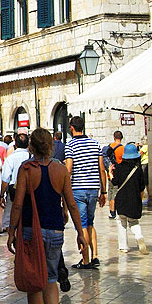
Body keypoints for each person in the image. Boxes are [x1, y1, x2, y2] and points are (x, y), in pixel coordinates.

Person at [8, 128, 87, 304]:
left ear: (31, 146)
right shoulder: (61, 170)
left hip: (31, 231)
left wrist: (11, 230)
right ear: (51, 146)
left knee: (34, 280)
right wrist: (81, 233)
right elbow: (70, 203)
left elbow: (18, 202)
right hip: (54, 230)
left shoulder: (27, 169)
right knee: (51, 277)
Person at [65, 116, 105, 270]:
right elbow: (101, 168)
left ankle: (86, 260)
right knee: (90, 222)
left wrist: (65, 190)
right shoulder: (95, 144)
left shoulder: (70, 145)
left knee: (81, 224)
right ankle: (95, 255)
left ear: (71, 128)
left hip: (78, 189)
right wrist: (104, 190)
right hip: (94, 187)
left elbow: (68, 170)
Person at [110, 143, 147, 255]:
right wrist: (139, 201)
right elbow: (142, 187)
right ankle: (139, 236)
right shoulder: (139, 170)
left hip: (121, 200)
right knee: (134, 221)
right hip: (134, 200)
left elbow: (115, 182)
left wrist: (110, 172)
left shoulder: (119, 168)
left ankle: (123, 246)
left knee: (121, 222)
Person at [0, 132, 31, 234]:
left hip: (14, 189)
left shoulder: (10, 159)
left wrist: (1, 195)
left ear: (15, 145)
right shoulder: (32, 157)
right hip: (29, 189)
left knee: (10, 212)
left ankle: (12, 234)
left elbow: (5, 179)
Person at [106, 131, 125, 219]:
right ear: (121, 138)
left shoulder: (110, 147)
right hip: (119, 173)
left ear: (114, 137)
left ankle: (111, 212)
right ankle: (117, 210)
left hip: (110, 173)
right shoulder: (123, 149)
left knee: (110, 192)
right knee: (116, 192)